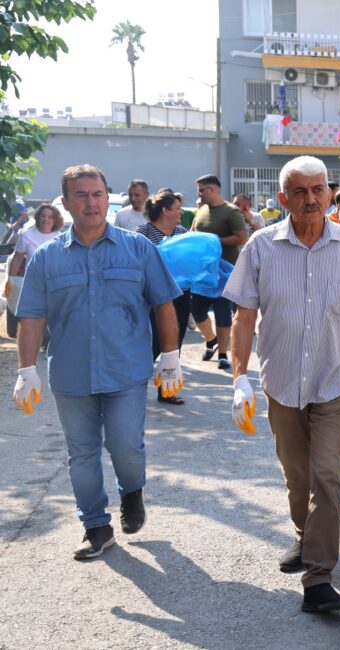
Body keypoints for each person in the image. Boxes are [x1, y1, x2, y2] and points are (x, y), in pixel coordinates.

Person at [222, 155, 340, 614]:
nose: (311, 199)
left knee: (326, 475)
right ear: (283, 199)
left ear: (330, 193)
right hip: (282, 383)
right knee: (298, 478)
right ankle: (304, 536)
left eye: (318, 189)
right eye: (300, 191)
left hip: (335, 382)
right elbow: (244, 316)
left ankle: (318, 577)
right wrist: (239, 378)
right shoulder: (260, 247)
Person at [12, 164, 183, 560]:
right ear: (67, 203)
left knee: (125, 446)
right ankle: (95, 525)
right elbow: (32, 317)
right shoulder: (46, 258)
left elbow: (163, 302)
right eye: (82, 195)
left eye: (98, 194)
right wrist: (26, 370)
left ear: (108, 197)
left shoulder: (138, 248)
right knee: (82, 454)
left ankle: (132, 490)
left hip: (126, 370)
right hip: (70, 375)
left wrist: (171, 357)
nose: (91, 202)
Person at [137, 188, 192, 406]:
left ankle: (167, 390)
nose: (181, 211)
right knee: (152, 343)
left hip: (181, 294)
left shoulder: (182, 232)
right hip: (152, 295)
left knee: (174, 343)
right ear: (165, 211)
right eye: (177, 208)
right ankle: (133, 387)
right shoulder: (144, 232)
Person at [190, 174, 248, 371]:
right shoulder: (201, 211)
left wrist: (215, 241)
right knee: (197, 311)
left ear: (212, 189)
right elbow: (193, 233)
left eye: (201, 189)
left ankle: (223, 354)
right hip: (202, 272)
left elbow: (242, 237)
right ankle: (211, 339)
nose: (198, 194)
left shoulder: (231, 212)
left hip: (224, 272)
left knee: (223, 314)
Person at [3, 204, 64, 338]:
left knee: (51, 311)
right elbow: (17, 258)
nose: (45, 219)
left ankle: (47, 340)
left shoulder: (60, 238)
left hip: (53, 282)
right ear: (38, 218)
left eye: (49, 217)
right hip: (32, 281)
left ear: (55, 220)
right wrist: (11, 280)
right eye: (43, 216)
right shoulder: (27, 235)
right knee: (34, 312)